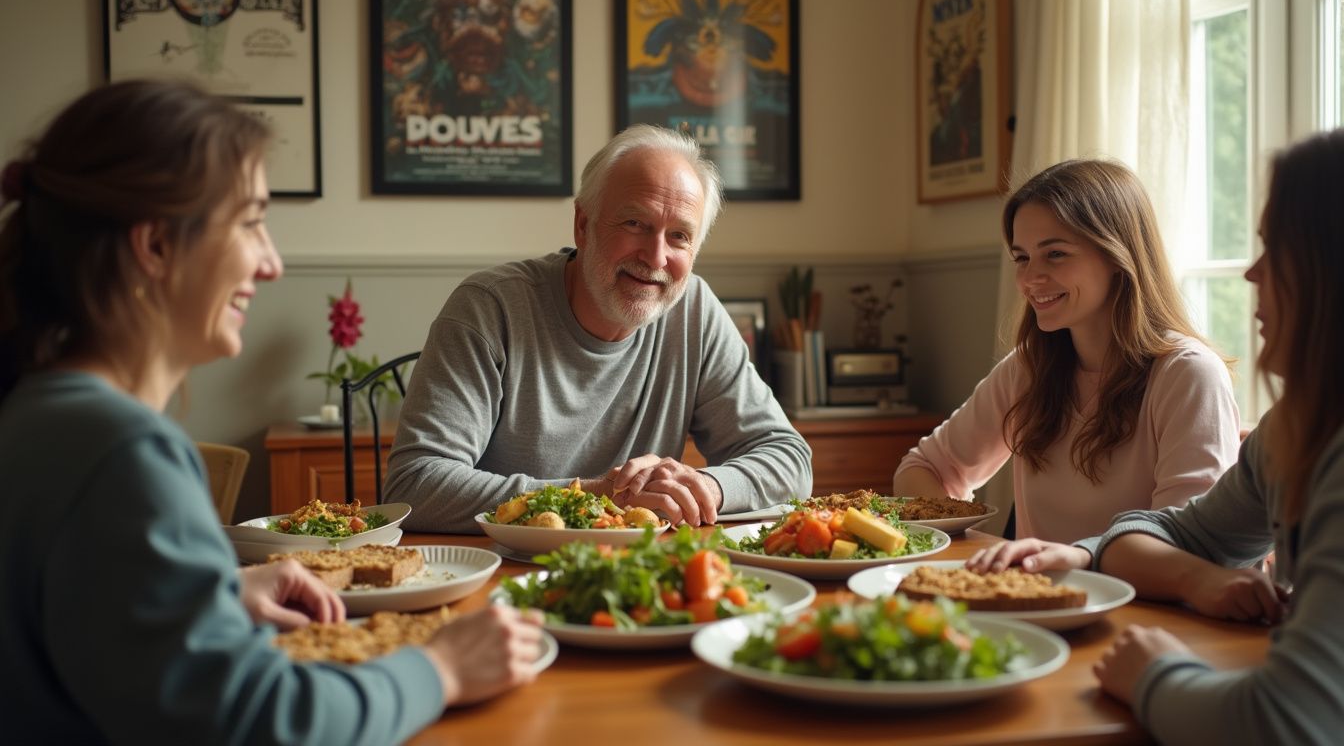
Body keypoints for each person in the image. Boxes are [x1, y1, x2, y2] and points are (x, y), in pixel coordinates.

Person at [0, 79, 543, 743]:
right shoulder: (122, 452)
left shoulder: (38, 416)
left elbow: (82, 616)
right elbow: (259, 721)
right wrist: (441, 669)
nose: (272, 263)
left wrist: (219, 596)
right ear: (156, 246)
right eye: (252, 222)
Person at [967, 128, 1344, 745]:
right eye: (1021, 256)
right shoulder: (1292, 431)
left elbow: (1285, 722)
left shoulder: (1190, 375)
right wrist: (1089, 554)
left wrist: (1154, 673)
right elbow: (1154, 532)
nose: (1250, 273)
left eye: (1275, 248)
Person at [384, 124, 811, 532]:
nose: (656, 257)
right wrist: (592, 497)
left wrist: (709, 487)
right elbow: (416, 484)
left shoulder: (694, 311)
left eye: (679, 236)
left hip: (637, 575)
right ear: (584, 225)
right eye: (634, 224)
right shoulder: (490, 307)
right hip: (503, 573)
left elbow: (790, 460)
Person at [892, 159, 1241, 543]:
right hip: (1039, 601)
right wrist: (982, 550)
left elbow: (1186, 543)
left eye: (1055, 254)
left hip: (1145, 603)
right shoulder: (1028, 369)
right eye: (1022, 257)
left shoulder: (1188, 376)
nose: (1028, 278)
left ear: (1117, 256)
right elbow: (924, 468)